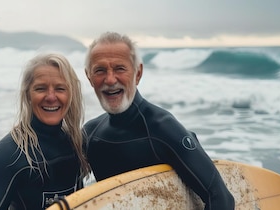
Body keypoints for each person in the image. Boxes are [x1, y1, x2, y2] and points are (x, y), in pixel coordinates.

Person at [82, 32, 235, 209]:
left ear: (138, 73)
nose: (110, 79)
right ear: (89, 77)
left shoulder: (163, 129)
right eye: (100, 70)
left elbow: (220, 198)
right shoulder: (90, 134)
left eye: (120, 69)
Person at [0, 53, 90, 209]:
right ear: (27, 94)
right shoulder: (6, 157)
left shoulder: (78, 145)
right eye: (41, 88)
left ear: (71, 94)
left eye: (60, 88)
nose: (51, 97)